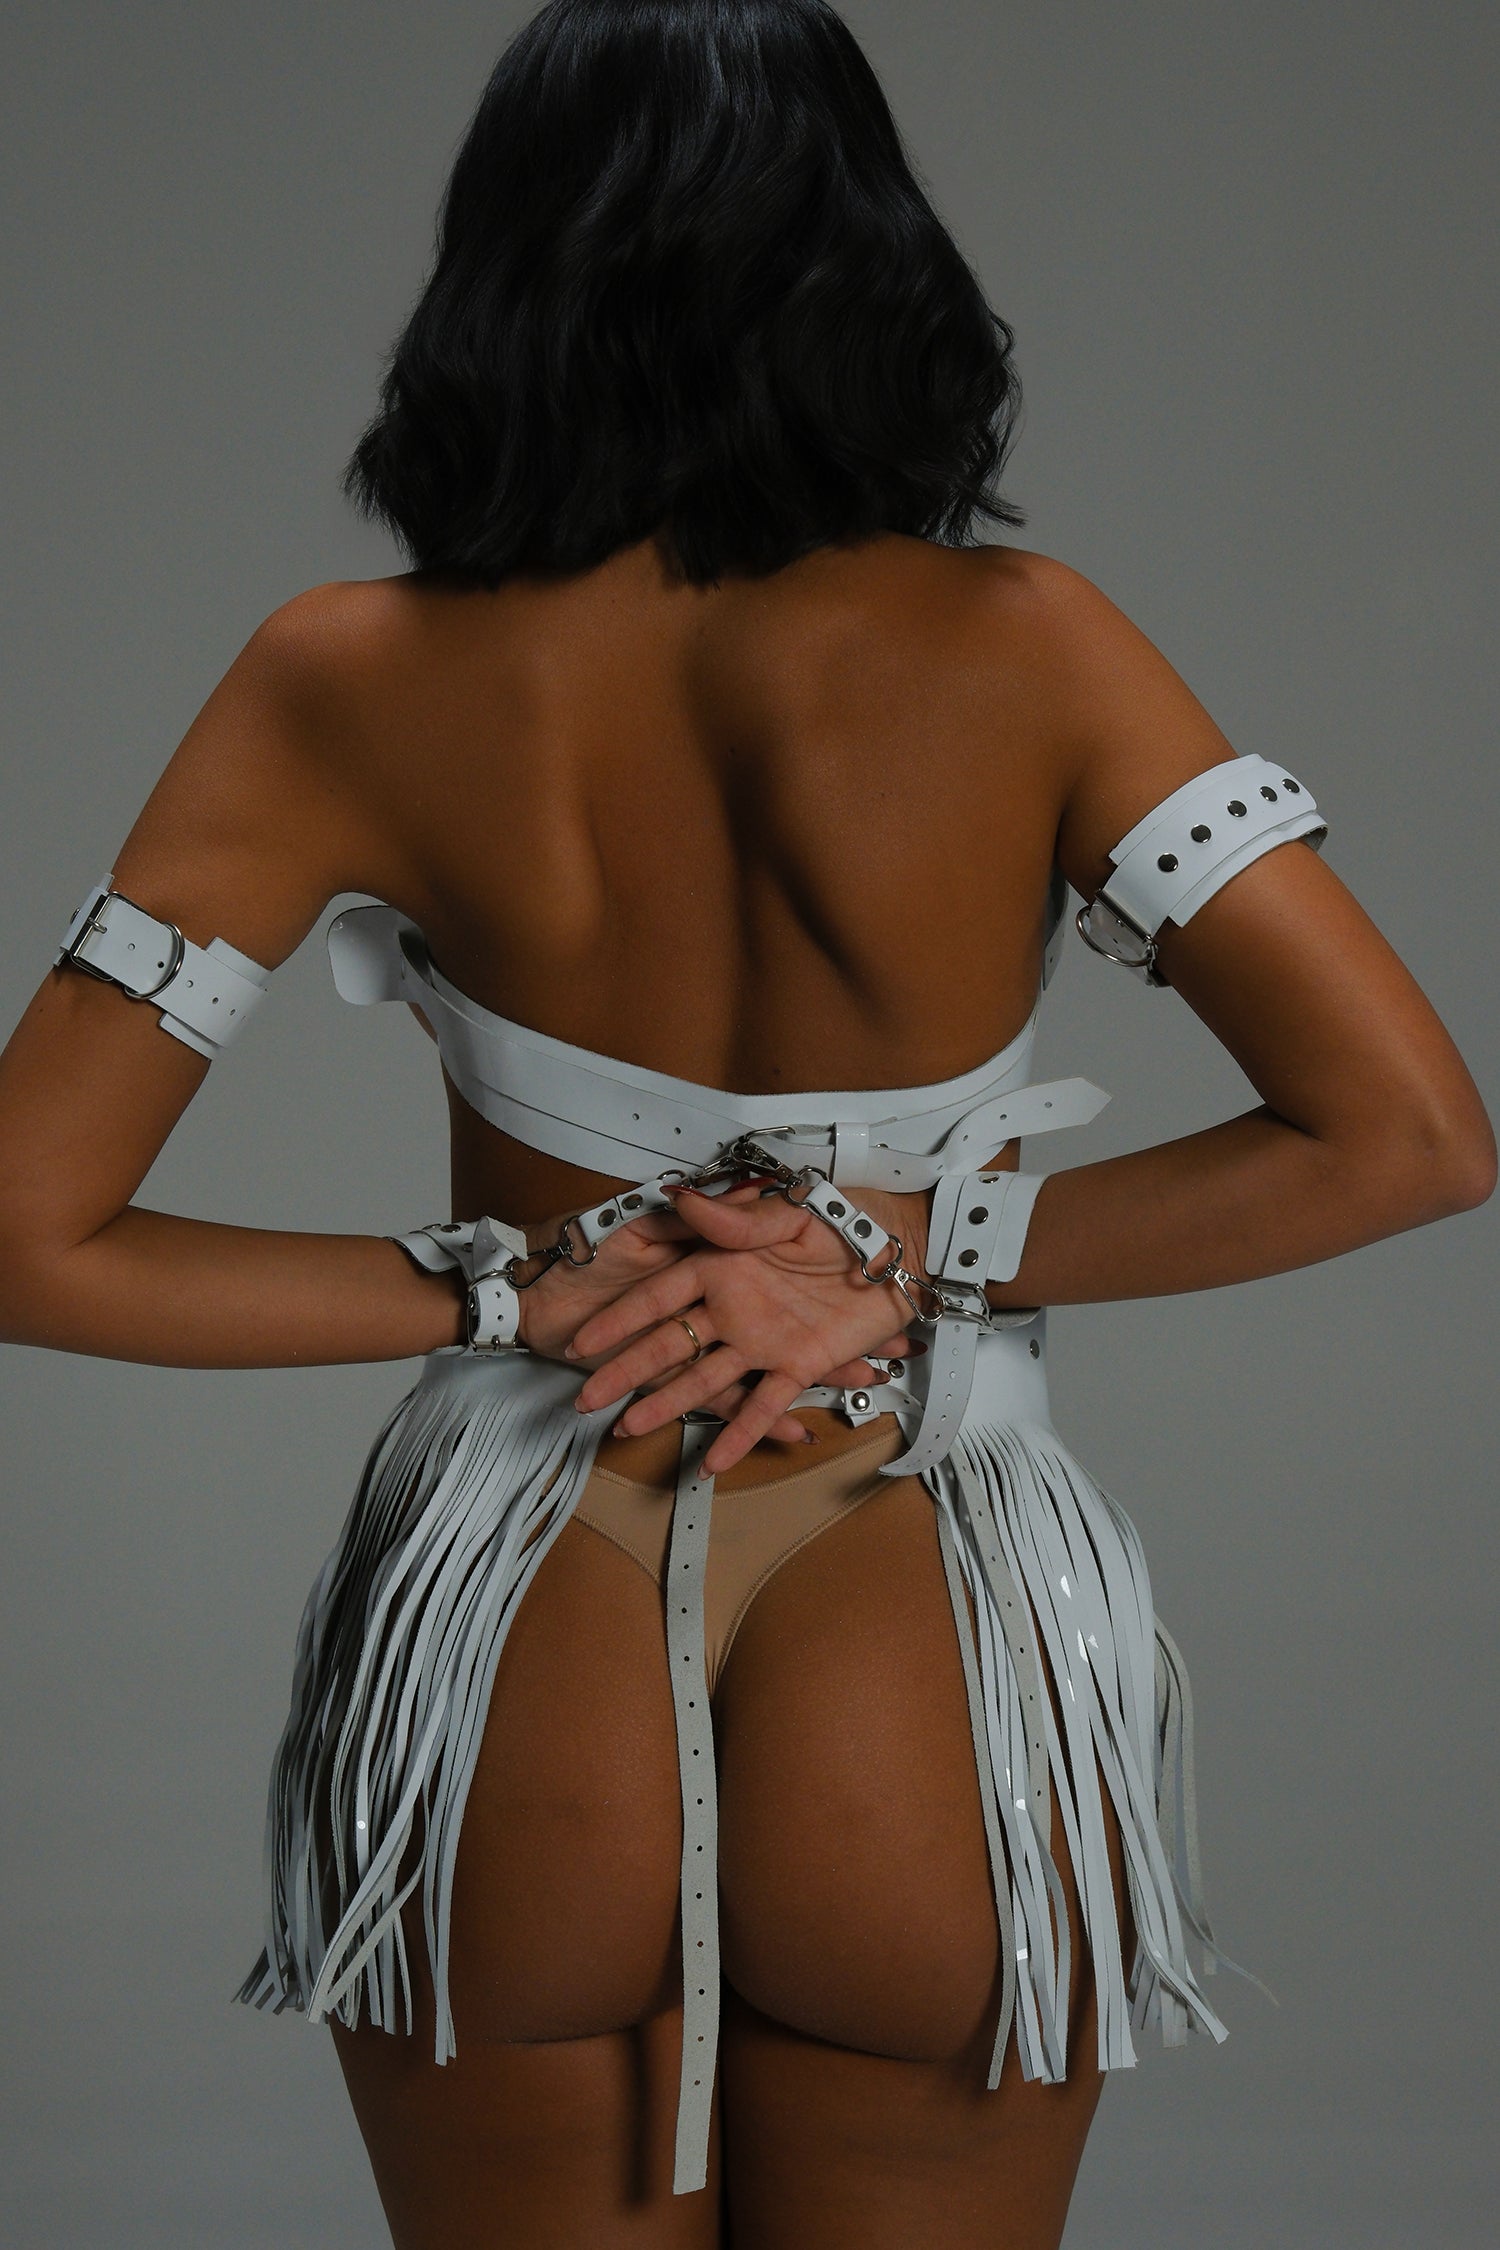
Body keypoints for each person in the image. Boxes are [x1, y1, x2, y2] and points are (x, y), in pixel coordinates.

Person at [1, 2, 1492, 2245]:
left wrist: (502, 1288)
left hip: (517, 1608)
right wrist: (909, 1259)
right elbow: (1411, 1136)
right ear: (873, 258)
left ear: (501, 270)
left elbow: (21, 1231)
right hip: (927, 1586)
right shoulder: (1038, 647)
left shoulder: (341, 677)